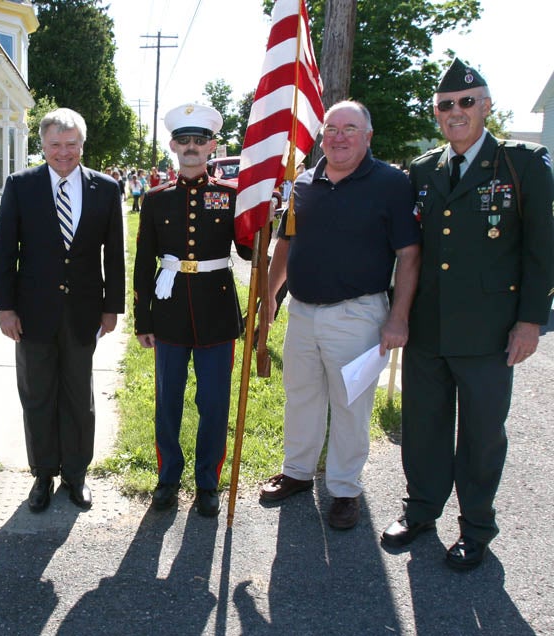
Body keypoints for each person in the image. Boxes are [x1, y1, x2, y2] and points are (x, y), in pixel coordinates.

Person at [381, 59, 554, 569]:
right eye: (445, 105)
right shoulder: (423, 170)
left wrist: (530, 321)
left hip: (490, 331)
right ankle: (421, 510)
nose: (456, 112)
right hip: (429, 326)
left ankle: (476, 525)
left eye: (466, 102)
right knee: (424, 424)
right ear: (436, 114)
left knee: (481, 433)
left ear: (486, 106)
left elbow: (542, 250)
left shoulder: (522, 165)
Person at [259, 101, 421, 530]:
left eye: (350, 128)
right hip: (303, 314)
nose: (339, 136)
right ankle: (297, 471)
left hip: (358, 315)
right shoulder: (304, 184)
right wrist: (269, 298)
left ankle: (345, 489)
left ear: (368, 136)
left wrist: (398, 317)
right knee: (302, 396)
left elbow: (409, 254)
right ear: (322, 135)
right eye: (332, 128)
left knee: (350, 405)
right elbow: (285, 246)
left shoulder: (390, 183)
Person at [0, 107, 125, 512]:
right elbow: (4, 252)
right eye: (55, 145)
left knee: (77, 394)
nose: (63, 153)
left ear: (82, 145)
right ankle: (43, 474)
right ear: (43, 146)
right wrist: (6, 308)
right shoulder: (20, 185)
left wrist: (112, 307)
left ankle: (76, 474)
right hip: (32, 313)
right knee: (37, 394)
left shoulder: (105, 188)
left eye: (71, 145)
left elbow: (114, 254)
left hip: (84, 312)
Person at [133, 103, 253, 517]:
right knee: (168, 401)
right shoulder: (155, 199)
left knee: (215, 402)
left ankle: (207, 481)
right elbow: (144, 260)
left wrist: (262, 219)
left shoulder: (231, 195)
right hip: (168, 313)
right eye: (183, 141)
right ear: (172, 145)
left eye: (199, 141)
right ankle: (168, 477)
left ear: (212, 146)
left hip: (217, 312)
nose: (191, 148)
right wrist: (142, 319)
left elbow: (248, 251)